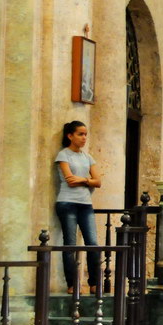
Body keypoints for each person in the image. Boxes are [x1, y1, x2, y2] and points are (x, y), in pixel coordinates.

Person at [55, 121, 103, 294]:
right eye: (80, 134)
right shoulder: (63, 155)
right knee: (70, 244)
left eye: (85, 135)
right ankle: (72, 284)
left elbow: (98, 181)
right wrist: (88, 181)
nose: (84, 138)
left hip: (85, 204)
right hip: (67, 203)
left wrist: (83, 180)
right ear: (70, 136)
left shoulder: (88, 157)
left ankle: (94, 283)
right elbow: (69, 179)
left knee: (93, 244)